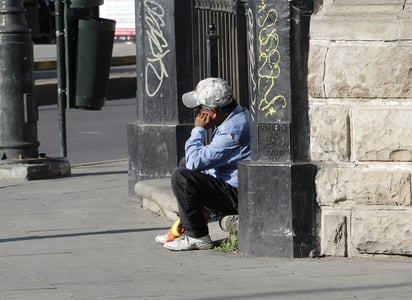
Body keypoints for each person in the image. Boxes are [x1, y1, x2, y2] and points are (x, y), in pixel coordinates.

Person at [155, 77, 251, 251]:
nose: (197, 113)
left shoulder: (232, 131)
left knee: (182, 177)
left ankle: (197, 236)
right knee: (184, 166)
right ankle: (187, 224)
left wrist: (198, 130)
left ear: (212, 112)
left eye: (199, 108)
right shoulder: (234, 116)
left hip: (237, 195)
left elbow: (194, 163)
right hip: (228, 182)